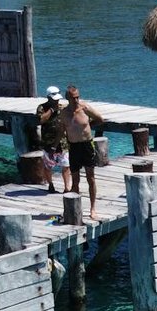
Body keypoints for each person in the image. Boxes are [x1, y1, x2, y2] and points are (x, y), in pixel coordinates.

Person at [60, 85, 104, 215]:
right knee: (75, 180)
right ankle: (75, 209)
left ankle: (93, 208)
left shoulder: (85, 108)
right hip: (73, 146)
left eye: (78, 97)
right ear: (67, 98)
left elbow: (100, 119)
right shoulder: (64, 113)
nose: (76, 100)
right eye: (74, 98)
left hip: (86, 146)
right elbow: (62, 129)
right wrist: (54, 145)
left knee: (91, 178)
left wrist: (88, 126)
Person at [36, 86, 71, 194]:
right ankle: (50, 185)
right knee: (48, 166)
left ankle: (67, 188)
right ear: (48, 97)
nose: (56, 100)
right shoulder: (42, 108)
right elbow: (41, 120)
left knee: (66, 165)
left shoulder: (62, 107)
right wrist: (51, 110)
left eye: (57, 99)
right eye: (54, 99)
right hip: (48, 142)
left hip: (63, 142)